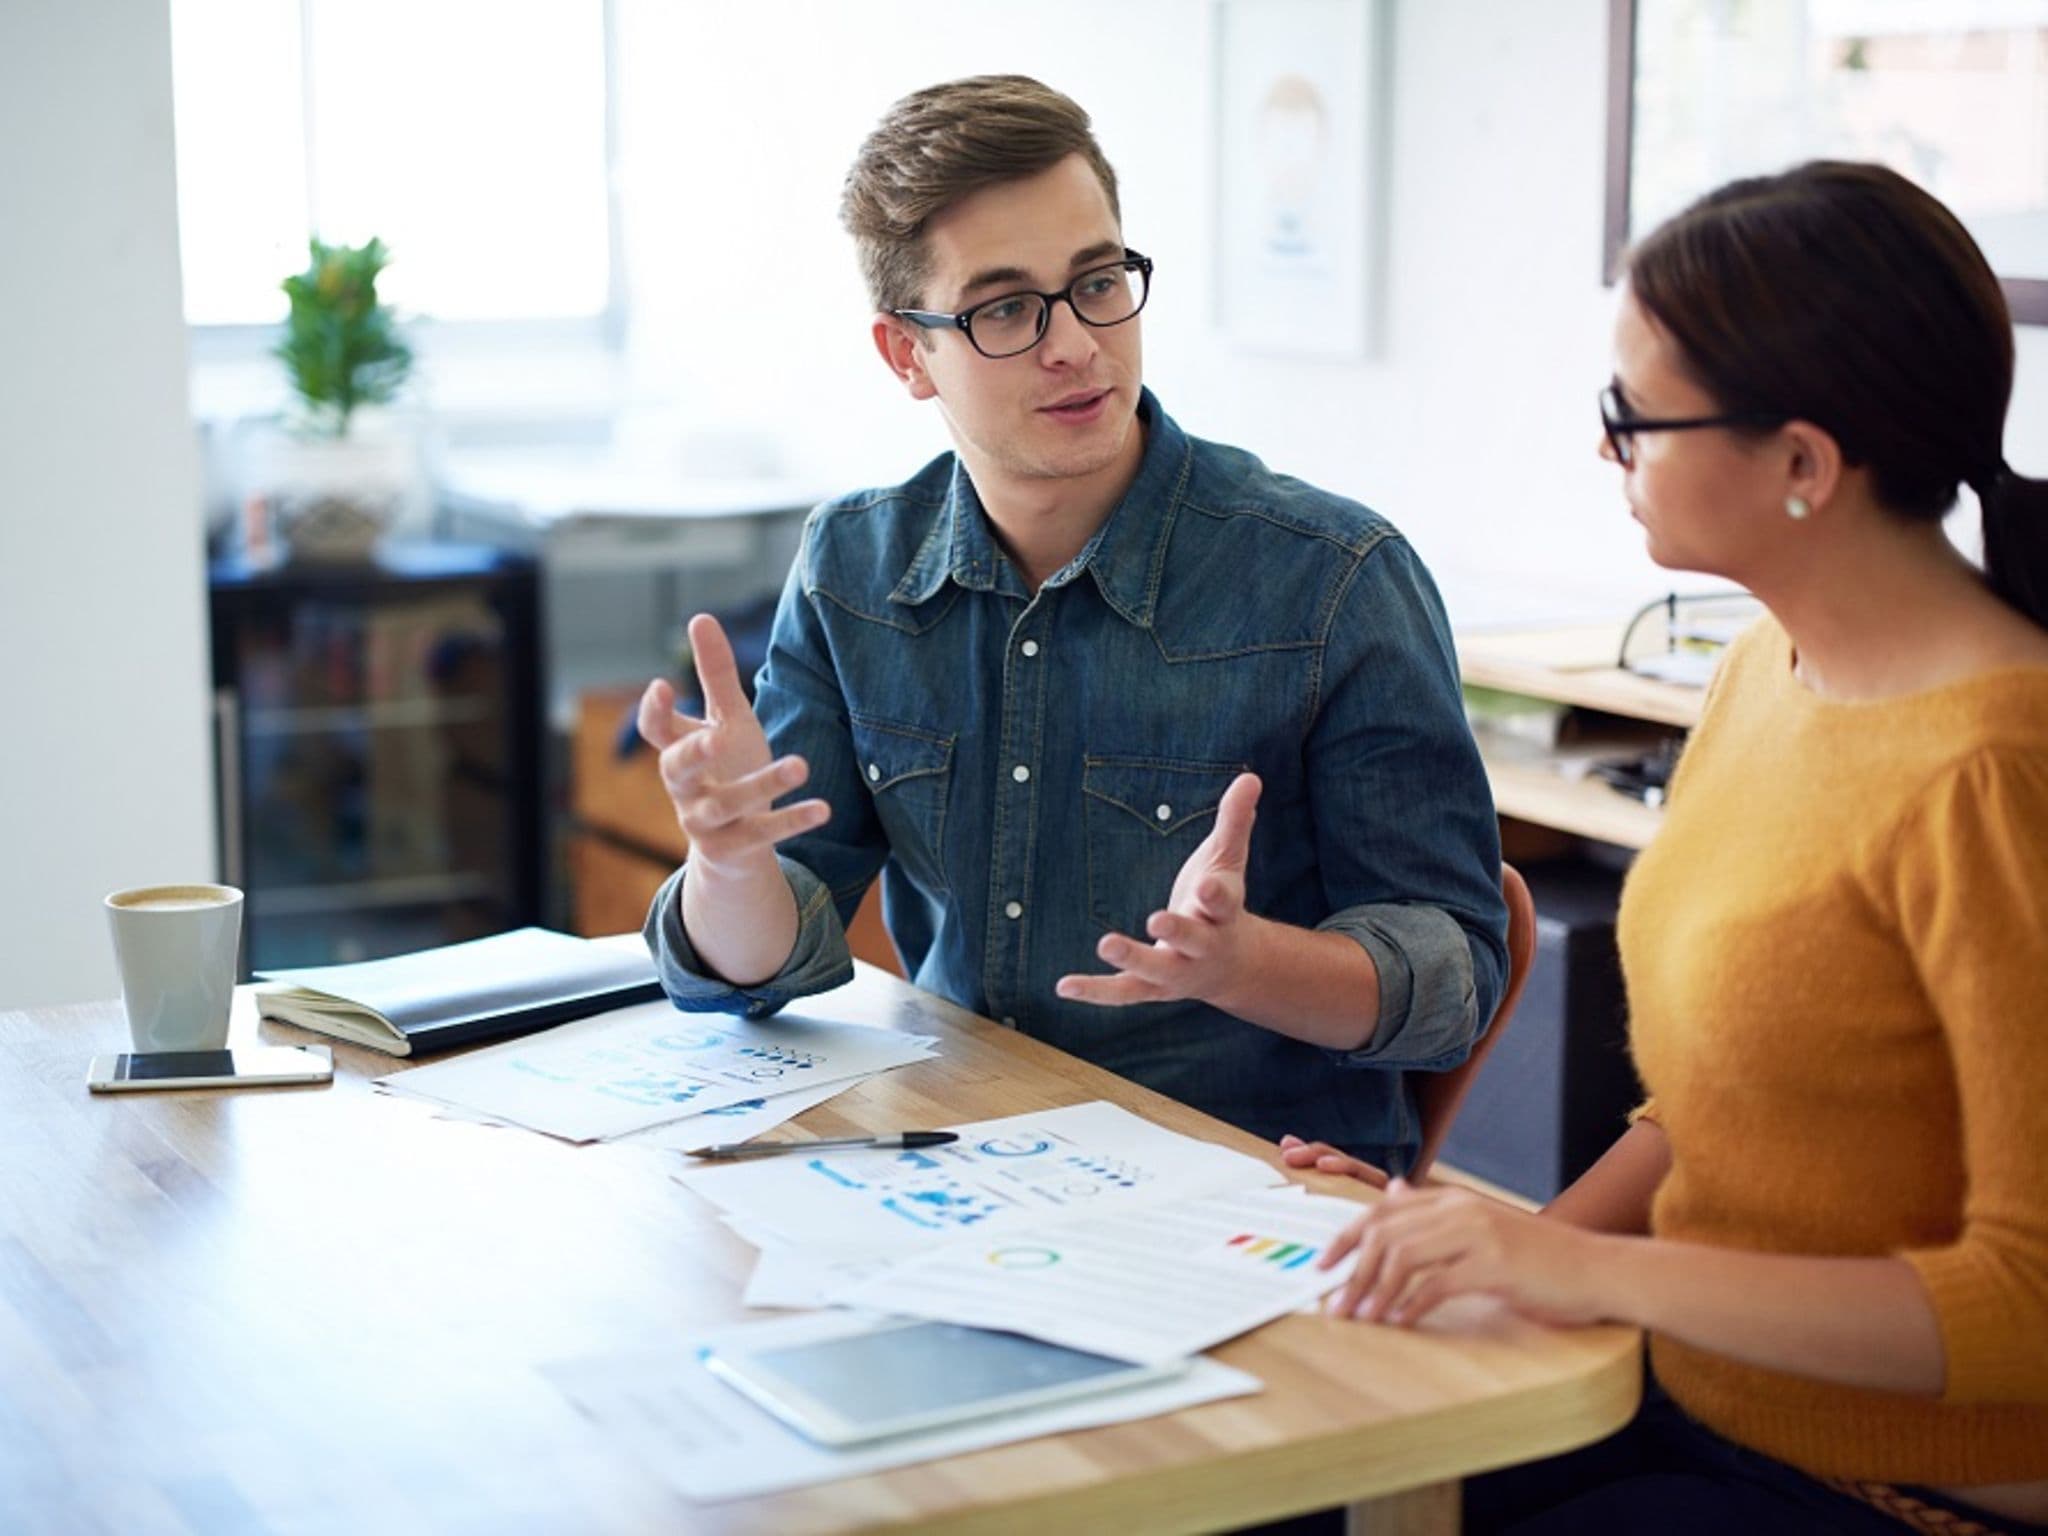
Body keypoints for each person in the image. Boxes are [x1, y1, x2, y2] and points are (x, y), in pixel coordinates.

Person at [1283, 161, 2048, 1533]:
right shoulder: (1771, 666)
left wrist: (1585, 1276)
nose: (1605, 448)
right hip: (1689, 1399)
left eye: (1630, 415)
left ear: (1804, 464)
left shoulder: (1994, 776)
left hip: (1894, 1494)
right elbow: (1728, 1105)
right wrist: (1499, 1253)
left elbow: (2028, 1310)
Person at [634, 75, 1507, 1168]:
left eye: (1097, 282)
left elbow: (1455, 980)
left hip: (1239, 1192)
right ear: (907, 354)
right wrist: (725, 866)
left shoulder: (1332, 580)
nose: (1074, 346)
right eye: (1004, 308)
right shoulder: (854, 566)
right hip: (952, 1163)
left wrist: (1241, 963)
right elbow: (763, 970)